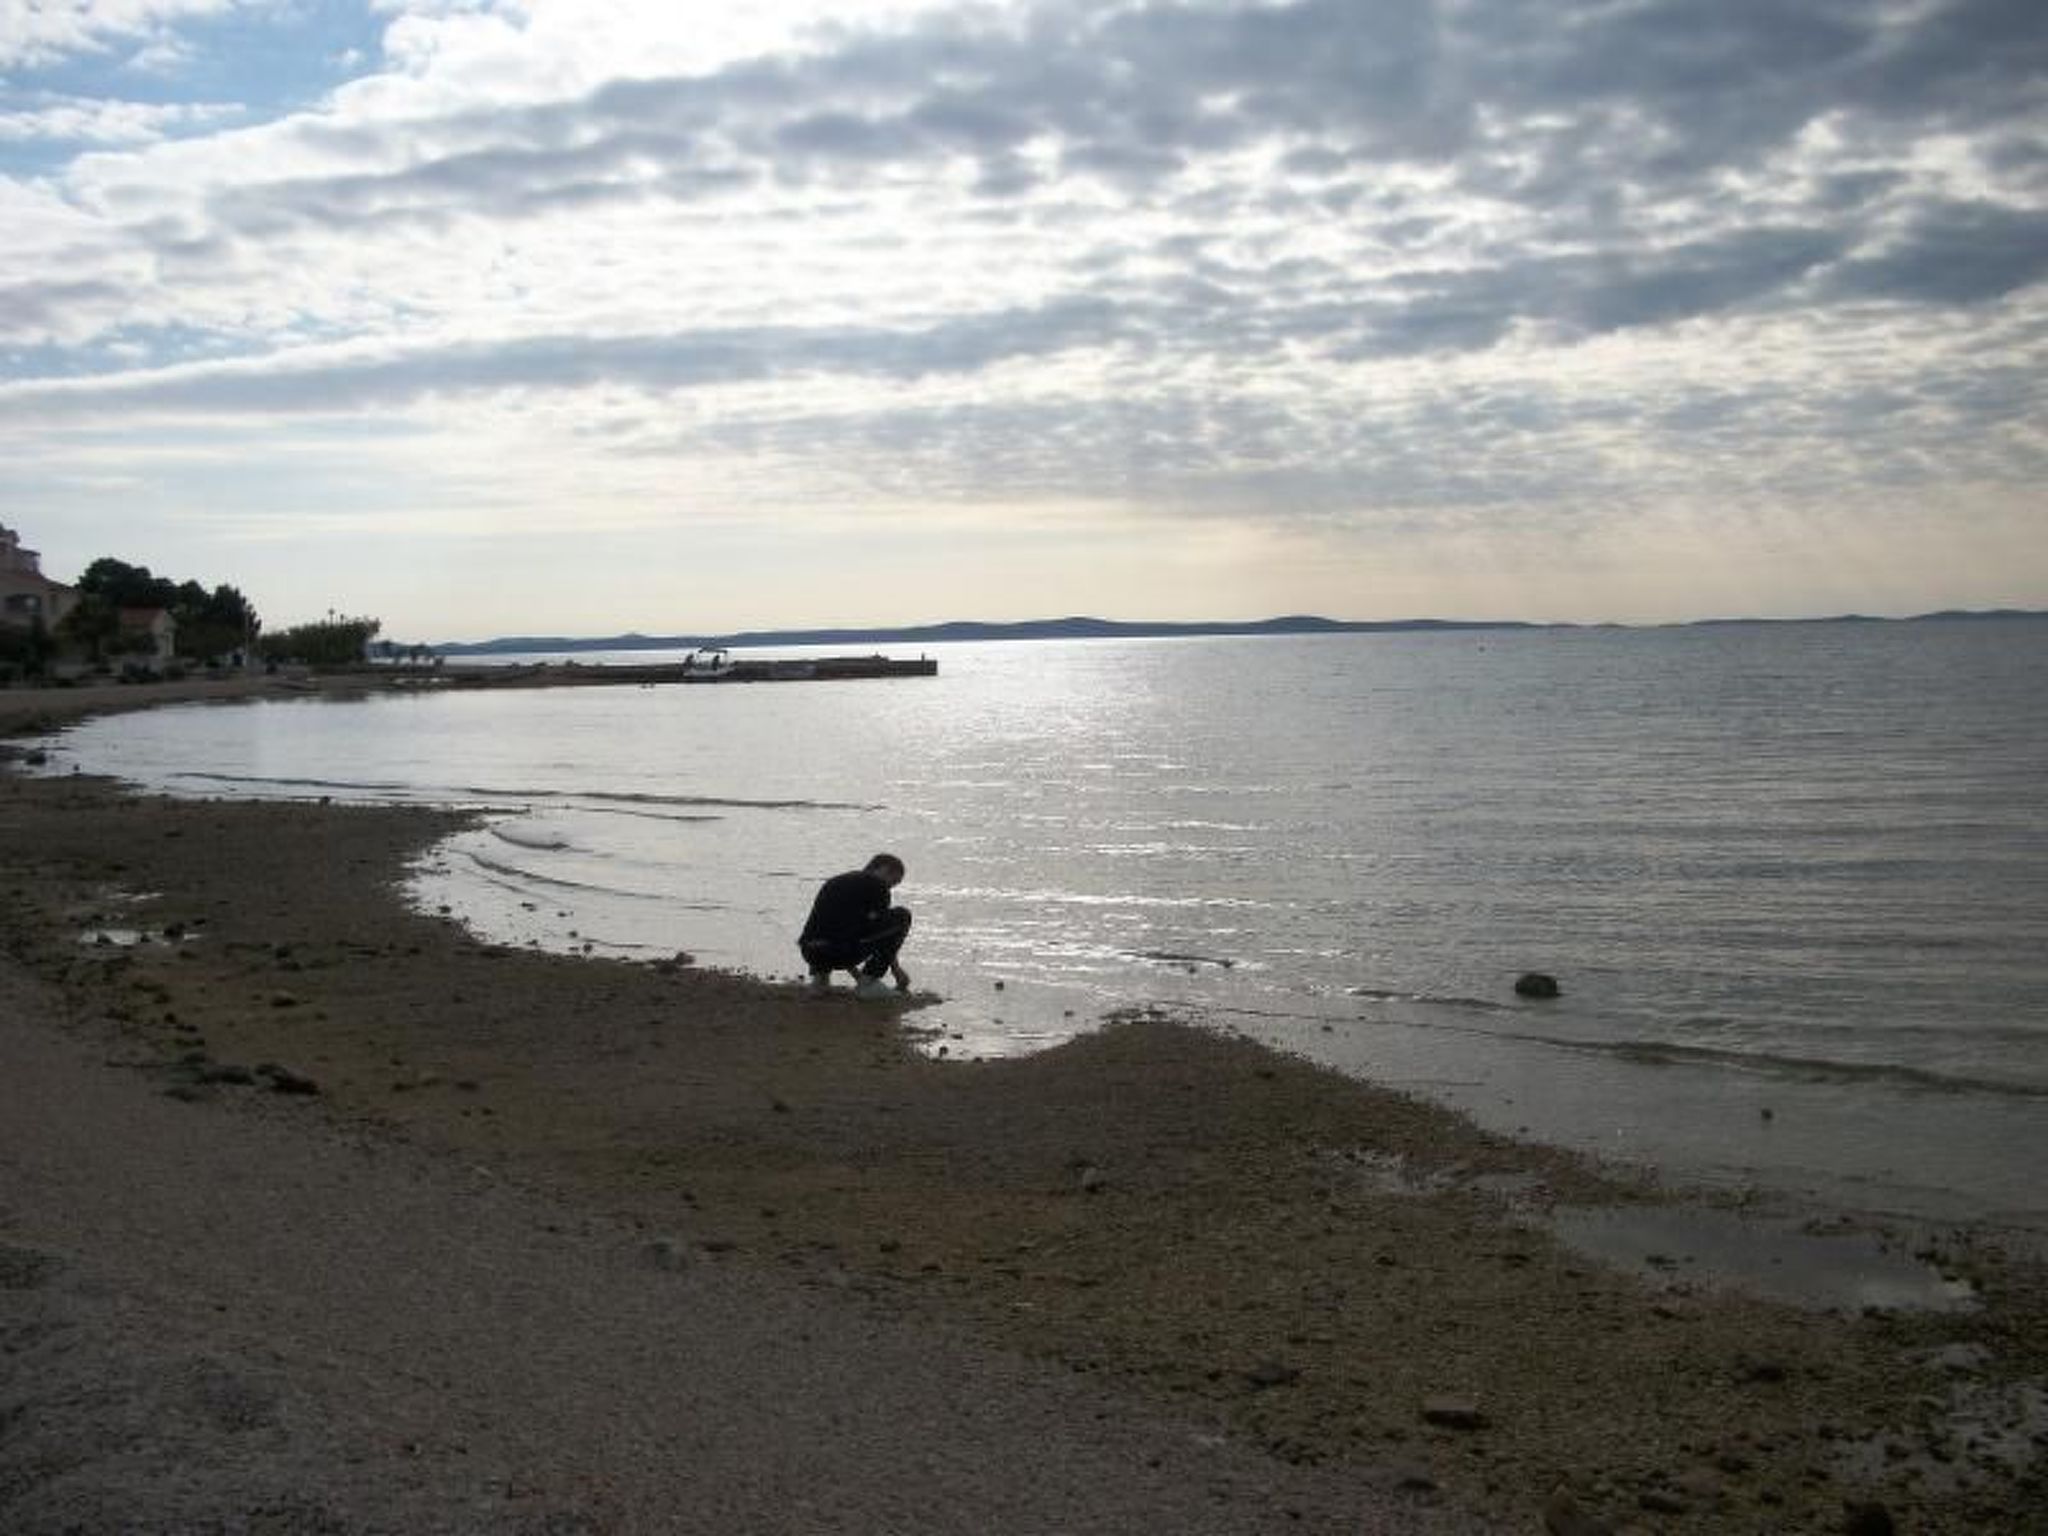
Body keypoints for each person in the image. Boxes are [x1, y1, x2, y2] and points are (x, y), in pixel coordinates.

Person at [799, 853, 912, 999]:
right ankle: (870, 983)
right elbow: (879, 933)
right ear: (884, 869)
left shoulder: (834, 882)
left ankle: (820, 981)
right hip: (838, 952)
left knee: (829, 928)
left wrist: (858, 977)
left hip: (811, 952)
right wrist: (896, 970)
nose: (891, 887)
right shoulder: (877, 885)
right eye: (894, 881)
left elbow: (846, 930)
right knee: (902, 916)